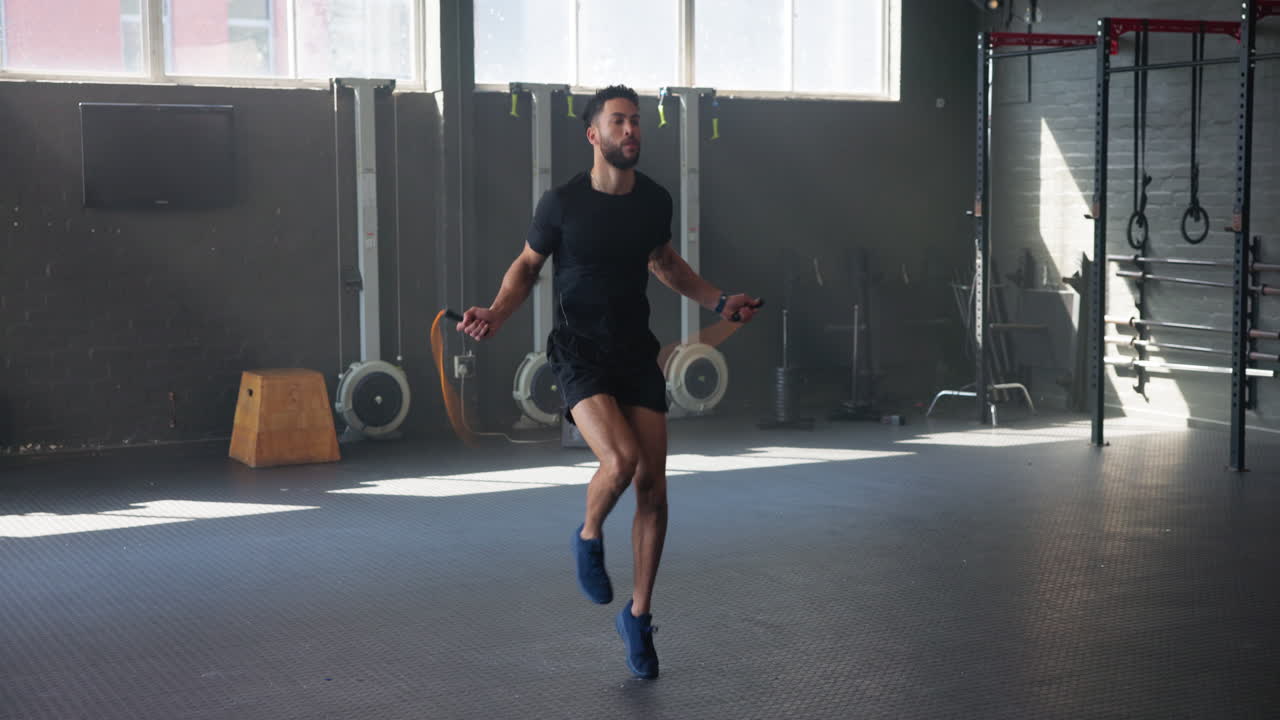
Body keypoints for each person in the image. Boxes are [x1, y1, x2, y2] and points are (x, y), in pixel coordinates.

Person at [457, 84, 761, 679]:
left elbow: (665, 264)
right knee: (620, 463)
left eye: (637, 122)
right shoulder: (562, 203)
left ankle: (638, 616)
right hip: (579, 354)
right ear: (593, 134)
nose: (632, 131)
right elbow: (526, 266)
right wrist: (496, 311)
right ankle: (589, 532)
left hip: (634, 355)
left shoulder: (654, 201)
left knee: (654, 489)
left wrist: (719, 300)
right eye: (619, 122)